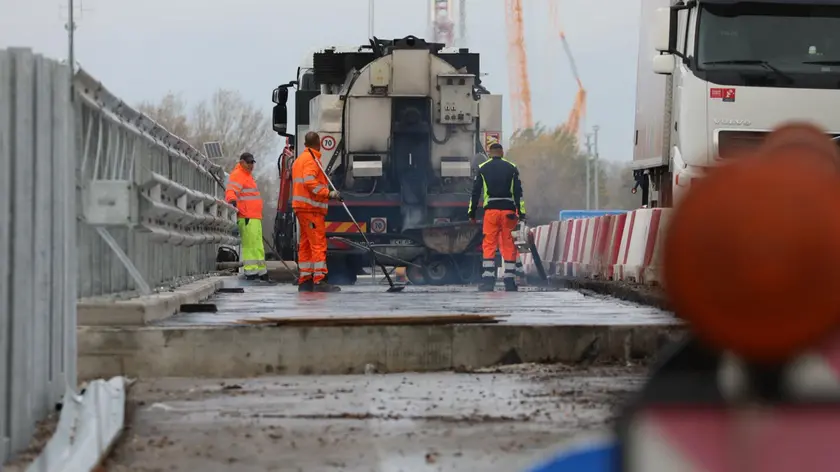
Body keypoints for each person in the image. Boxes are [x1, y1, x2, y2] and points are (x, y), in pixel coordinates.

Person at [468, 143, 526, 292]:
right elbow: (518, 193)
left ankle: (488, 281)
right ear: (502, 152)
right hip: (508, 212)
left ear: (489, 153)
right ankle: (509, 281)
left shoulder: (483, 168)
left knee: (489, 244)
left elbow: (475, 193)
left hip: (491, 212)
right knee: (509, 245)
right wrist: (522, 213)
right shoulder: (512, 168)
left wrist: (471, 213)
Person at [291, 131, 342, 292]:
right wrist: (329, 193)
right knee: (318, 244)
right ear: (318, 143)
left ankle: (305, 279)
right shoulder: (311, 160)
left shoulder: (299, 160)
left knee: (305, 244)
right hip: (311, 209)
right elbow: (310, 182)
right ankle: (320, 279)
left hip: (302, 208)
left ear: (305, 144)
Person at [226, 152, 270, 281]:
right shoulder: (238, 175)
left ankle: (261, 272)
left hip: (254, 217)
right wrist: (232, 200)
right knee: (250, 245)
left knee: (258, 245)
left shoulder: (248, 176)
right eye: (249, 162)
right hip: (246, 217)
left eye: (252, 162)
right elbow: (230, 191)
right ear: (242, 162)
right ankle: (251, 272)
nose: (251, 165)